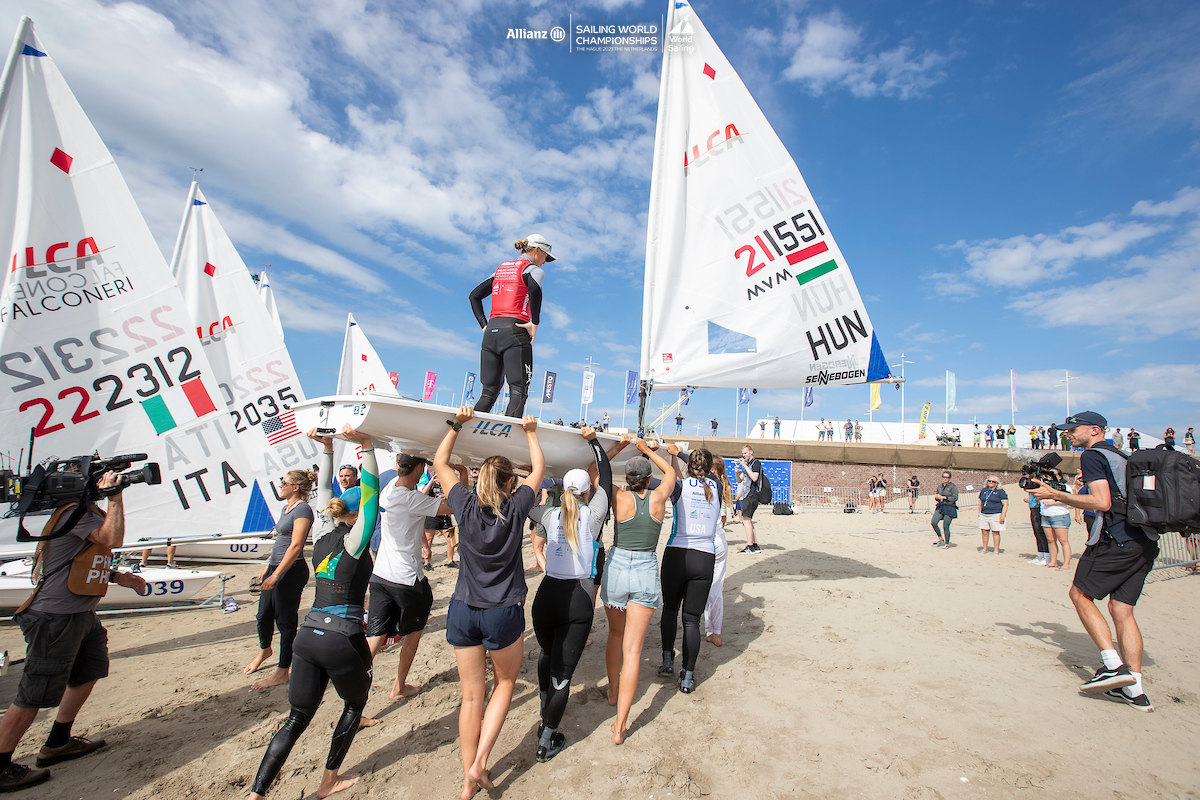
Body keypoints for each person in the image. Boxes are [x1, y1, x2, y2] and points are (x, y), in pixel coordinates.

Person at [248, 426, 378, 800]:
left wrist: (328, 448)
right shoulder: (355, 542)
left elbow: (323, 487)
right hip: (341, 638)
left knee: (295, 719)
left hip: (307, 637)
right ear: (354, 515)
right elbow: (370, 497)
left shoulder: (320, 536)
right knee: (354, 704)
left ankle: (256, 793)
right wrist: (367, 447)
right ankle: (329, 781)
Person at [0, 471, 147, 793]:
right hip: (56, 618)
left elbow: (82, 557)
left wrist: (118, 576)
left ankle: (58, 742)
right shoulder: (76, 512)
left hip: (79, 614)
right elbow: (111, 540)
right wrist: (115, 497)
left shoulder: (84, 512)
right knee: (33, 694)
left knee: (88, 671)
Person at [435, 407, 544, 796]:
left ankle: (468, 785)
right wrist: (530, 432)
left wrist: (457, 425)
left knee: (470, 697)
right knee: (505, 683)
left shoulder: (464, 506)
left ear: (480, 477)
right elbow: (539, 469)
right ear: (511, 482)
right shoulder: (516, 507)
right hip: (501, 610)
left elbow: (441, 462)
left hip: (463, 609)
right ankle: (479, 763)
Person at [1029, 411, 1159, 712]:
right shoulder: (1121, 456)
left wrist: (1056, 495)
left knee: (1079, 595)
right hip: (1143, 540)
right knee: (1121, 610)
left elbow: (1102, 502)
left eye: (1074, 429)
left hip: (1115, 540)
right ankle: (1135, 691)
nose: (1069, 433)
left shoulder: (1092, 455)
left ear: (1095, 430)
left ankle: (1113, 665)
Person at [527, 427, 611, 762]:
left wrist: (530, 476)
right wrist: (594, 442)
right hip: (578, 600)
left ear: (562, 490)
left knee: (547, 653)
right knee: (562, 677)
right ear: (588, 491)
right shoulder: (596, 514)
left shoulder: (549, 514)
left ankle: (544, 709)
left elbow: (522, 503)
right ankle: (547, 739)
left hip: (546, 596)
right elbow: (605, 476)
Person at [369, 453, 465, 702]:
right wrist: (460, 474)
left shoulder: (390, 489)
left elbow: (414, 505)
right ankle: (399, 686)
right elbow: (457, 505)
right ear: (420, 468)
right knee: (413, 634)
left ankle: (354, 690)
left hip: (380, 575)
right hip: (407, 579)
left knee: (375, 637)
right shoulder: (412, 499)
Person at [601, 437, 678, 744]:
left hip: (619, 565)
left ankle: (612, 689)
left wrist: (618, 448)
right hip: (645, 567)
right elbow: (670, 474)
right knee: (633, 651)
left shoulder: (618, 497)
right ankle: (621, 725)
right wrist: (648, 451)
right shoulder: (659, 497)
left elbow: (596, 471)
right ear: (648, 479)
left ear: (627, 478)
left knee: (615, 635)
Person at [468, 234, 554, 418]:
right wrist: (535, 323)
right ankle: (507, 431)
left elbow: (474, 296)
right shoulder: (533, 270)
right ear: (537, 250)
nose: (544, 261)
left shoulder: (500, 270)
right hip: (516, 331)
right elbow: (535, 289)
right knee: (518, 390)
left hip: (491, 333)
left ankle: (464, 429)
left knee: (488, 392)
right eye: (545, 256)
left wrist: (484, 325)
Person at [245, 467, 315, 690]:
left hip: (291, 570)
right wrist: (268, 568)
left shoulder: (303, 509)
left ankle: (283, 671)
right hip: (276, 566)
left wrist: (276, 575)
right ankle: (265, 650)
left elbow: (296, 545)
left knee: (285, 622)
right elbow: (280, 542)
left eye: (284, 483)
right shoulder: (286, 508)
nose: (280, 486)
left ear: (295, 487)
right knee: (263, 614)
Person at [659, 448, 722, 694]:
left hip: (677, 554)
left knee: (670, 610)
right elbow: (709, 472)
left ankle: (667, 660)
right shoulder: (716, 487)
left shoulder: (678, 486)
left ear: (689, 466)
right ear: (709, 468)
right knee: (692, 620)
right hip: (704, 557)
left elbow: (656, 479)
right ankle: (687, 675)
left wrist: (670, 454)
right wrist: (682, 454)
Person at [705, 464, 733, 647]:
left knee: (701, 589)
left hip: (703, 541)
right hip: (719, 539)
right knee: (716, 590)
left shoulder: (693, 488)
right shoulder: (718, 486)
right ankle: (715, 632)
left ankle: (710, 629)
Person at [1040, 467, 1072, 571]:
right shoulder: (1045, 487)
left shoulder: (1064, 487)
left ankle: (1066, 564)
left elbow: (1068, 500)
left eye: (1054, 475)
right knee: (1051, 540)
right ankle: (1053, 561)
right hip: (1046, 514)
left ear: (1060, 476)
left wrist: (1052, 503)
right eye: (1049, 475)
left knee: (1063, 540)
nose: (1051, 477)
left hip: (1059, 515)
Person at [736, 446, 763, 553]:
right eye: (743, 453)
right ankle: (755, 545)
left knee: (746, 520)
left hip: (752, 495)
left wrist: (744, 466)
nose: (744, 455)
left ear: (751, 452)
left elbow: (754, 477)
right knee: (749, 520)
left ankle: (750, 546)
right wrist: (736, 472)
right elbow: (740, 480)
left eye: (746, 453)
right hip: (747, 494)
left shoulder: (756, 463)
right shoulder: (748, 464)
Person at [977, 476, 1008, 554]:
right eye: (989, 481)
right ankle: (985, 548)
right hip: (984, 514)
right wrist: (979, 511)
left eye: (993, 481)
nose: (991, 482)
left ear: (997, 483)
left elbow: (1005, 503)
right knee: (984, 531)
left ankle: (996, 549)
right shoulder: (984, 490)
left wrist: (1003, 515)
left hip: (995, 513)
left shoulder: (1000, 491)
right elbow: (980, 501)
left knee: (995, 532)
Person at [931, 471, 958, 548]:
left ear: (949, 478)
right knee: (934, 522)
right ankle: (940, 538)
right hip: (941, 506)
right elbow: (938, 497)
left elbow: (955, 497)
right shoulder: (940, 486)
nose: (945, 479)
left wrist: (944, 497)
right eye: (944, 477)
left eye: (947, 477)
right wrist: (937, 497)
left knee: (945, 526)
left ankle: (947, 543)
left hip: (949, 507)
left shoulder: (952, 487)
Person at [1026, 489, 1051, 565]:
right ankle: (1040, 554)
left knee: (1041, 533)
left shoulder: (1039, 487)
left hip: (1039, 509)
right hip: (1033, 508)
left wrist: (1033, 493)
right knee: (1037, 533)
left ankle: (1046, 556)